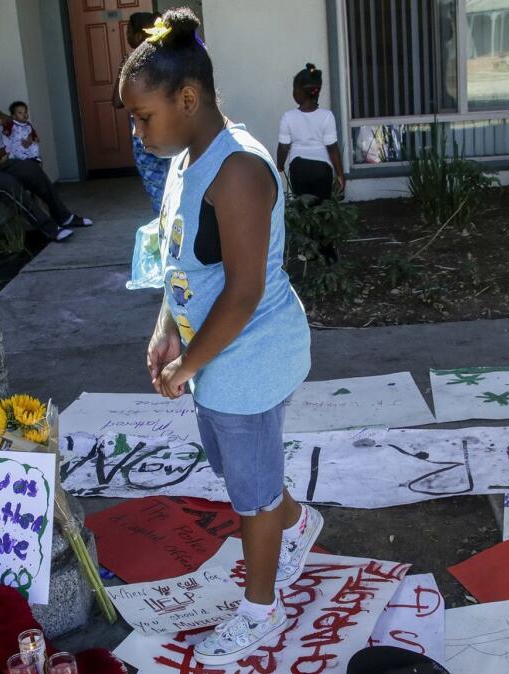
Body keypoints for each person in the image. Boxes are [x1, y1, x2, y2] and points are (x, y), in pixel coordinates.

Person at [119, 8, 319, 666]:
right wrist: (165, 331)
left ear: (187, 97)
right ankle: (299, 523)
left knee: (250, 492)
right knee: (237, 464)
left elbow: (242, 293)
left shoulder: (237, 171)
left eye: (143, 116)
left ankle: (262, 610)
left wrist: (187, 365)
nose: (136, 129)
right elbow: (181, 263)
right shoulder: (185, 158)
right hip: (213, 355)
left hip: (250, 355)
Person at [0, 86, 93, 241]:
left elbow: (2, 151)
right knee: (9, 183)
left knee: (31, 169)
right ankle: (49, 228)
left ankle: (64, 217)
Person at [116, 11, 170, 214]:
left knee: (159, 194)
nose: (126, 35)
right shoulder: (167, 59)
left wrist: (123, 70)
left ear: (140, 35)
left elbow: (116, 101)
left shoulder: (134, 63)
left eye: (129, 30)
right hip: (168, 134)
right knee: (174, 187)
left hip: (147, 141)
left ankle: (168, 234)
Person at [276, 63, 345, 200]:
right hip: (322, 170)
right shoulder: (327, 116)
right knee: (322, 208)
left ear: (298, 92)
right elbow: (332, 148)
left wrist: (280, 165)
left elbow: (284, 147)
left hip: (299, 169)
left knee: (303, 210)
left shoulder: (288, 117)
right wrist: (340, 174)